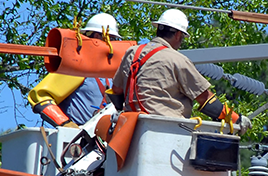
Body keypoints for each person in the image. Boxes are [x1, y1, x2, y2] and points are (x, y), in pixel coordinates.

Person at [107, 9, 251, 134]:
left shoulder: (132, 53)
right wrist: (235, 119)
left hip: (129, 131)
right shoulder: (177, 59)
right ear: (177, 35)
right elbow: (206, 100)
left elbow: (116, 91)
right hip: (167, 132)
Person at [27, 13, 122, 128]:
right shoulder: (78, 67)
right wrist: (66, 124)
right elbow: (40, 97)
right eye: (112, 39)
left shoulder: (111, 73)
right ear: (97, 37)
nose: (114, 44)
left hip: (105, 138)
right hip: (78, 138)